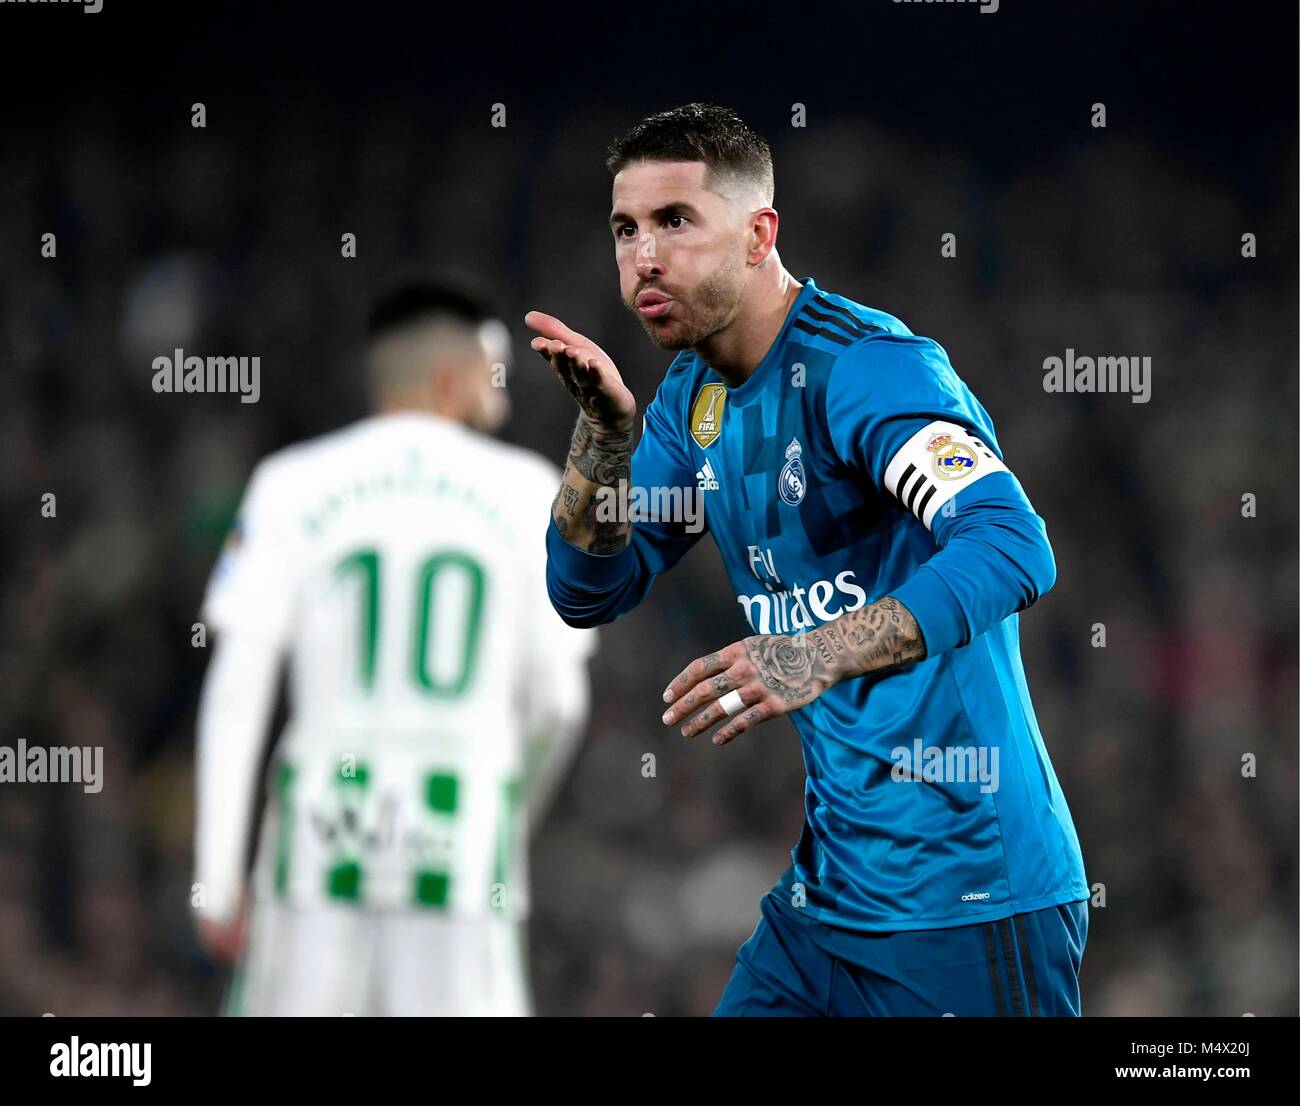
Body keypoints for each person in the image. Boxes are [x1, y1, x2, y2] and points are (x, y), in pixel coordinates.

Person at [528, 103, 1088, 1016]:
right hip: (825, 910)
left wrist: (811, 652)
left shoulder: (868, 369)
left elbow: (1012, 543)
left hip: (973, 899)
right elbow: (587, 589)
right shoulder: (691, 402)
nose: (644, 257)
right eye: (626, 229)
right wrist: (601, 439)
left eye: (676, 222)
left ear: (759, 235)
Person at [192, 282, 594, 1015]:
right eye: (494, 373)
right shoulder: (530, 492)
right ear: (452, 376)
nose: (501, 394)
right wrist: (505, 817)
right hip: (463, 836)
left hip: (321, 833)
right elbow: (560, 705)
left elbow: (237, 687)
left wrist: (216, 873)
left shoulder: (292, 483)